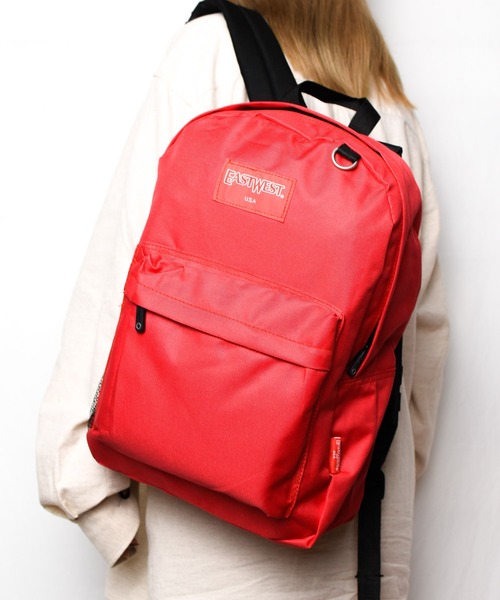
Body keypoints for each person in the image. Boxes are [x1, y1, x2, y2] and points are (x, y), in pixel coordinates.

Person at [36, 1, 449, 598]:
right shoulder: (392, 107)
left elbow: (121, 271)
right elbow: (423, 344)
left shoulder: (210, 50)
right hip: (359, 541)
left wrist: (87, 493)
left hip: (206, 547)